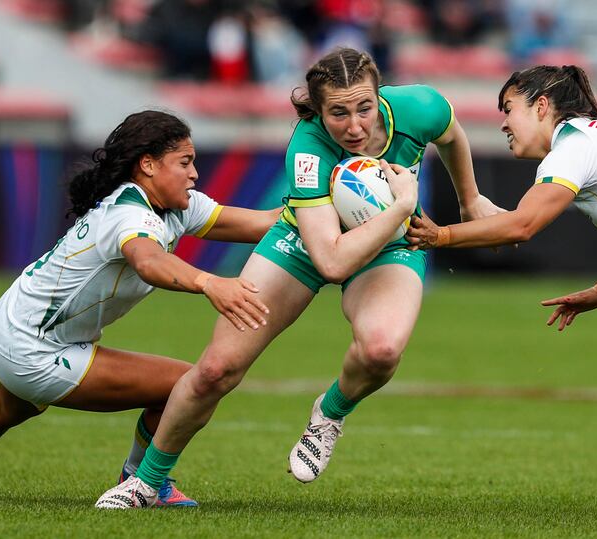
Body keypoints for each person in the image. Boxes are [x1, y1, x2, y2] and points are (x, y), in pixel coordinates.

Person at [95, 47, 504, 508]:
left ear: (380, 95)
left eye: (364, 108)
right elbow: (330, 261)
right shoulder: (307, 148)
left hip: (389, 242)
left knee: (382, 351)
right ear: (317, 109)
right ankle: (147, 481)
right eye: (338, 113)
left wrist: (470, 202)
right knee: (215, 370)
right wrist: (403, 207)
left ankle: (329, 415)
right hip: (308, 243)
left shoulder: (419, 107)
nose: (354, 126)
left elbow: (452, 136)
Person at [0, 110, 279, 506]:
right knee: (186, 386)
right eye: (184, 163)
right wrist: (210, 282)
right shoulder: (130, 214)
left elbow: (264, 223)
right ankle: (142, 480)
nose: (194, 174)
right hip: (35, 347)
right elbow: (149, 262)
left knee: (11, 406)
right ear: (148, 165)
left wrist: (323, 208)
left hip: (15, 321)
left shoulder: (173, 206)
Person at [404, 64, 597, 523]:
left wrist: (441, 237)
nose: (504, 123)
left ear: (542, 105)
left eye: (509, 109)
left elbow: (524, 225)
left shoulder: (575, 146)